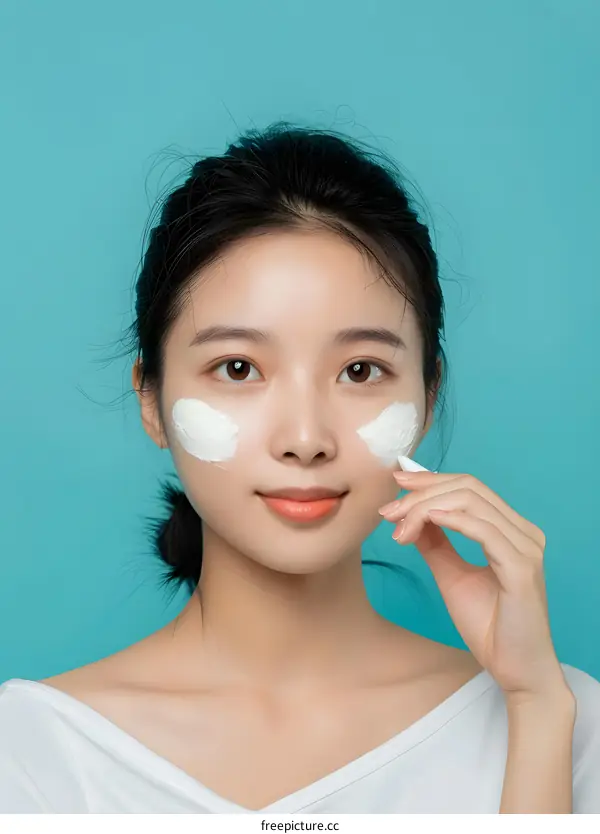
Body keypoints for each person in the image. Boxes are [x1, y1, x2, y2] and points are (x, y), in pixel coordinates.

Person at [1, 123, 598, 814]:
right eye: (238, 368)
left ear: (427, 396)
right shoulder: (32, 753)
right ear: (152, 400)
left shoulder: (566, 721)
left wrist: (537, 708)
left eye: (360, 370)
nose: (307, 438)